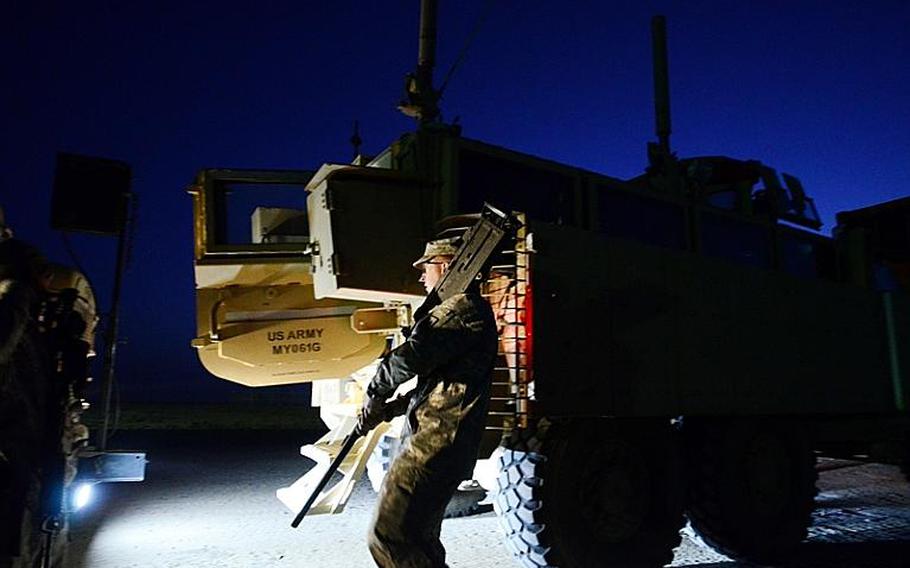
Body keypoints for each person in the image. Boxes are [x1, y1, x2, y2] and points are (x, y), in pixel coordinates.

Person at [357, 236, 498, 568]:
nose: (422, 277)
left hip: (435, 446)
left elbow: (408, 359)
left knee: (389, 535)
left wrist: (375, 393)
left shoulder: (462, 309)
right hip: (437, 442)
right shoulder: (461, 311)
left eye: (426, 268)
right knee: (418, 541)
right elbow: (436, 388)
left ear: (445, 266)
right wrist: (387, 410)